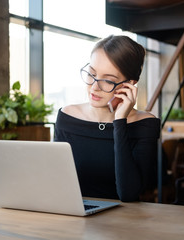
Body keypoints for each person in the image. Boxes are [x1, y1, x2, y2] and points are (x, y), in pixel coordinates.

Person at [54, 35, 160, 202]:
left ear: (129, 85)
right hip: (73, 216)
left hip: (122, 222)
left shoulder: (145, 124)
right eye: (91, 74)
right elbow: (57, 181)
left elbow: (128, 194)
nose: (94, 87)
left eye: (107, 81)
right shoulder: (68, 117)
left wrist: (119, 121)